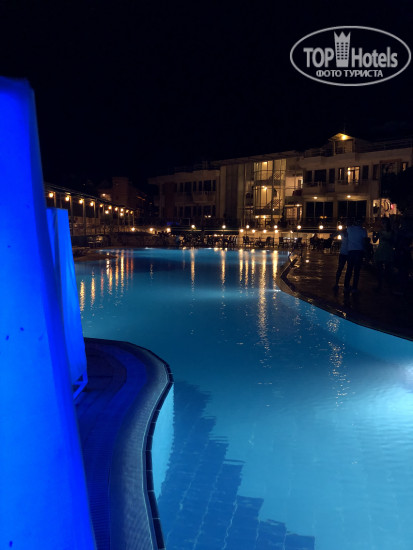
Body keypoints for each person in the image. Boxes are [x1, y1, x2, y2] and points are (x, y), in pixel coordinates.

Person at [343, 218, 368, 294]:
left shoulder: (349, 229)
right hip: (359, 251)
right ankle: (354, 288)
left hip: (351, 251)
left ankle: (346, 286)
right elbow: (364, 242)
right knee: (356, 271)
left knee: (349, 269)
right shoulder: (363, 230)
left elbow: (344, 232)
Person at [372, 217, 394, 292]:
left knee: (388, 270)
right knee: (379, 270)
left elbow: (393, 242)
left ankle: (388, 286)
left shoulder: (391, 232)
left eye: (384, 222)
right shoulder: (380, 231)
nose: (383, 224)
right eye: (382, 222)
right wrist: (374, 234)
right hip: (381, 251)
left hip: (387, 251)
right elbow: (374, 240)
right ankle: (380, 285)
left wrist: (387, 239)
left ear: (387, 223)